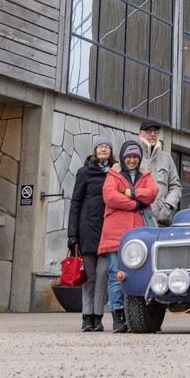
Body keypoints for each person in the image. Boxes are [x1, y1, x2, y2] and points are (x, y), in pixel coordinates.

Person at [99, 139, 158, 333]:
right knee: (116, 275)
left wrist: (128, 192)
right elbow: (110, 196)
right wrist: (135, 204)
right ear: (123, 157)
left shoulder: (145, 175)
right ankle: (118, 316)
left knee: (141, 274)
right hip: (115, 233)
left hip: (140, 234)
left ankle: (138, 316)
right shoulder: (113, 174)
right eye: (128, 156)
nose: (132, 160)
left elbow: (152, 193)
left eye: (135, 157)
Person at [67, 136, 114, 331]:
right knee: (90, 276)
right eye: (100, 146)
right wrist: (72, 234)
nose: (103, 149)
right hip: (87, 230)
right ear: (95, 150)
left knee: (103, 274)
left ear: (111, 151)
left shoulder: (115, 173)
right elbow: (75, 202)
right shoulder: (84, 172)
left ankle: (98, 316)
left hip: (108, 231)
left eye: (106, 147)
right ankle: (87, 317)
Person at [137, 119, 182, 226]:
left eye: (155, 131)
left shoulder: (166, 158)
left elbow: (176, 187)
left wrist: (168, 206)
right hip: (138, 218)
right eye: (149, 131)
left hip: (161, 220)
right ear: (140, 133)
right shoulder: (133, 157)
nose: (152, 134)